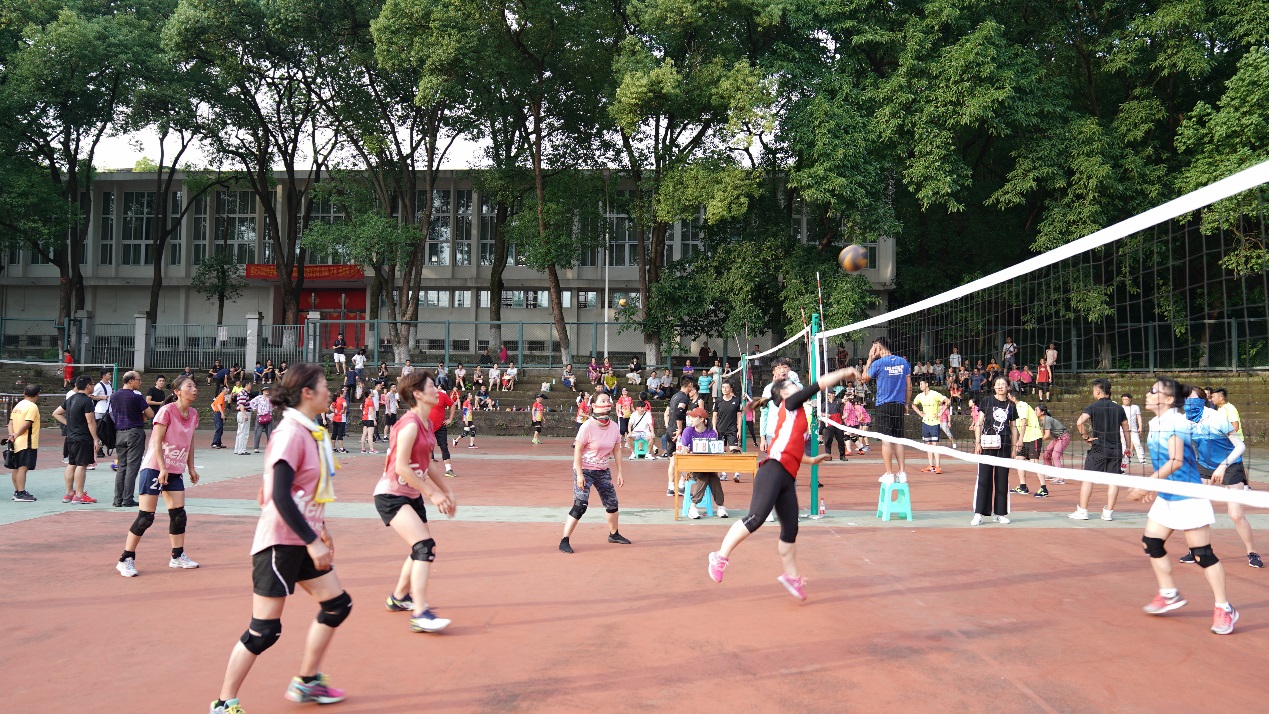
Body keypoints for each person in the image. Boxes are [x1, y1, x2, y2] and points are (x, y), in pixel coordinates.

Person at [209, 364, 350, 713]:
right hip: (280, 542)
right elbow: (278, 496)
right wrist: (312, 540)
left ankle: (307, 682)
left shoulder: (311, 432)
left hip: (302, 537)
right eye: (324, 385)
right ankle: (224, 703)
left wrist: (319, 529)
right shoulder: (290, 433)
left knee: (337, 604)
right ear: (307, 393)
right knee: (264, 631)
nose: (329, 391)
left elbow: (303, 492)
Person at [706, 367, 854, 599]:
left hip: (787, 475)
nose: (795, 383)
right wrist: (846, 372)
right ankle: (720, 556)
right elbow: (819, 384)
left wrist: (811, 460)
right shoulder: (791, 403)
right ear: (784, 392)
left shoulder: (798, 416)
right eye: (791, 383)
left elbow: (791, 447)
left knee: (791, 528)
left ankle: (791, 576)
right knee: (756, 518)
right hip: (773, 470)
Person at [1128, 376, 1238, 635]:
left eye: (1153, 391)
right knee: (1151, 542)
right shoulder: (1156, 422)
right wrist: (1157, 486)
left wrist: (1149, 484)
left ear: (1168, 399)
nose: (1147, 394)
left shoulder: (1176, 422)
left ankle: (1225, 608)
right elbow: (1165, 461)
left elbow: (1176, 460)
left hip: (1189, 496)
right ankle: (1169, 593)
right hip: (1168, 494)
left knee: (1202, 555)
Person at [375, 369, 458, 634]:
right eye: (432, 386)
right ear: (418, 394)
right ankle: (420, 614)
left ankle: (399, 597)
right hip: (391, 494)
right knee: (424, 546)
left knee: (420, 545)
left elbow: (428, 463)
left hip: (411, 494)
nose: (437, 391)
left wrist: (446, 490)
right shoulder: (409, 424)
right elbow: (402, 467)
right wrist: (433, 494)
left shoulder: (426, 424)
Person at [116, 375, 201, 577]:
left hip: (175, 469)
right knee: (146, 517)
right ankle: (125, 559)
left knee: (179, 515)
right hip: (155, 468)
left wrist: (191, 467)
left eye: (195, 386)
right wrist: (162, 468)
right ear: (177, 392)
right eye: (189, 386)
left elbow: (190, 441)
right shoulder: (166, 411)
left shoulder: (193, 413)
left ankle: (177, 556)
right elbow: (156, 440)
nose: (194, 389)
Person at [1182, 387, 1260, 568]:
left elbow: (1240, 446)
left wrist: (1223, 466)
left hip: (1230, 464)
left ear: (1203, 400)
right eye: (1185, 398)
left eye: (1191, 398)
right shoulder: (1185, 420)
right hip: (1205, 465)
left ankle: (1252, 552)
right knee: (1196, 508)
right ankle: (1197, 550)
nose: (1188, 401)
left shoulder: (1217, 418)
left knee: (1236, 514)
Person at [559, 393, 630, 553]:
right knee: (580, 505)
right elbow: (578, 450)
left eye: (608, 400)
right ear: (594, 405)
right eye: (602, 400)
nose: (606, 403)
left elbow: (617, 450)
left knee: (612, 503)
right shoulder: (587, 426)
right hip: (585, 469)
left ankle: (614, 534)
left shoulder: (614, 426)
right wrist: (579, 474)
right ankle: (564, 539)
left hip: (603, 470)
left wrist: (620, 472)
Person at [1070, 378, 1127, 521]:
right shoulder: (1119, 408)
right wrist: (1129, 447)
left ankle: (1083, 511)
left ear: (1097, 391)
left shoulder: (1093, 406)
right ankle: (1108, 512)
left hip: (1099, 447)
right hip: (1116, 448)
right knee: (1114, 480)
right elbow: (1126, 429)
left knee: (1088, 478)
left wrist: (1085, 437)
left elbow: (1079, 422)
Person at [859, 337, 912, 484]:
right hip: (898, 405)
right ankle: (902, 473)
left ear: (879, 347)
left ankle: (889, 474)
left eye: (873, 347)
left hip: (884, 405)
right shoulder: (903, 362)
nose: (872, 350)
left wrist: (869, 359)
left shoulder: (878, 363)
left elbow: (863, 379)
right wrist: (906, 403)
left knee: (886, 440)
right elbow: (909, 386)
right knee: (898, 439)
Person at [971, 376, 1019, 525]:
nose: (1000, 386)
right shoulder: (987, 401)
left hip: (1004, 445)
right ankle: (979, 513)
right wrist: (977, 443)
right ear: (994, 387)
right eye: (997, 384)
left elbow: (1014, 428)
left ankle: (1000, 513)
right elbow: (979, 423)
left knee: (1002, 478)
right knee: (984, 478)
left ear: (1008, 387)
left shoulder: (1011, 406)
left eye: (1003, 384)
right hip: (987, 443)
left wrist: (1014, 448)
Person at [54, 376, 102, 504]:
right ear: (88, 386)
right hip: (83, 437)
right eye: (92, 384)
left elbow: (56, 413)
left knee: (72, 463)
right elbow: (90, 421)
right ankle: (79, 495)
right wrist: (96, 439)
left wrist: (69, 424)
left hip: (71, 437)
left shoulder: (71, 398)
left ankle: (69, 493)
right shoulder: (87, 401)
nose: (93, 386)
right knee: (81, 465)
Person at [109, 371, 153, 507]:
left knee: (121, 467)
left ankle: (117, 499)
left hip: (119, 433)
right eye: (138, 380)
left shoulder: (114, 396)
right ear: (130, 381)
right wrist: (141, 414)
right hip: (134, 432)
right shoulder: (136, 397)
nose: (140, 382)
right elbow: (150, 413)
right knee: (132, 467)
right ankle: (127, 498)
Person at [679, 407, 727, 519]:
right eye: (690, 417)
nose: (690, 419)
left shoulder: (711, 433)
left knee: (711, 475)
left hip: (707, 466)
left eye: (693, 417)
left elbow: (713, 451)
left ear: (701, 419)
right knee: (708, 475)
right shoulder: (688, 431)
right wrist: (685, 450)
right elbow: (683, 448)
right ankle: (716, 506)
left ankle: (697, 507)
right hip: (691, 468)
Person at [7, 383, 42, 502]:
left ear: (24, 393)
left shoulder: (18, 405)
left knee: (16, 467)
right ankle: (21, 493)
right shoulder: (32, 407)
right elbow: (27, 423)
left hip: (16, 441)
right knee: (23, 467)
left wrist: (12, 435)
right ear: (38, 394)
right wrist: (16, 434)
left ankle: (17, 491)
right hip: (27, 441)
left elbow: (10, 423)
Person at [1007, 389, 1045, 497]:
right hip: (1024, 438)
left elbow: (1024, 423)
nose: (1007, 399)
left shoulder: (1022, 405)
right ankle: (1023, 486)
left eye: (1008, 397)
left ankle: (1044, 488)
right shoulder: (1013, 408)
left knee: (1034, 462)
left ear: (1013, 398)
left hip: (1033, 437)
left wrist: (1020, 440)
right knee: (1019, 460)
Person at [912, 378, 946, 474]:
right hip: (925, 423)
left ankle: (938, 466)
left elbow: (947, 401)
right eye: (920, 384)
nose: (920, 386)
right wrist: (920, 413)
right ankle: (931, 466)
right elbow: (913, 405)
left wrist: (940, 413)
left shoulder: (934, 394)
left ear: (926, 384)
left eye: (921, 384)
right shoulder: (920, 396)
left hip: (934, 423)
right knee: (928, 444)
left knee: (935, 445)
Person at [429, 385, 458, 477]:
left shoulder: (442, 395)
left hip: (440, 426)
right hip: (427, 426)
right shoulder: (423, 396)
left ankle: (448, 469)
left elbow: (452, 404)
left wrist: (450, 419)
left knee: (444, 447)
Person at [1037, 404, 1069, 486]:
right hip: (1056, 438)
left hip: (1063, 437)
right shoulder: (1040, 420)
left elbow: (1047, 435)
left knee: (1055, 455)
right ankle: (1050, 474)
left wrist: (1037, 442)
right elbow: (1042, 433)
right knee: (1046, 455)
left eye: (1036, 410)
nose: (1035, 412)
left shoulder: (1047, 419)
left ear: (1042, 412)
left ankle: (1060, 478)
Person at [713, 381, 741, 455]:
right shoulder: (718, 401)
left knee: (735, 452)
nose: (725, 389)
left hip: (732, 430)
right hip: (720, 430)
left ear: (731, 389)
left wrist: (739, 430)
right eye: (723, 387)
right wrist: (714, 428)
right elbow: (715, 415)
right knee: (721, 453)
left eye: (727, 387)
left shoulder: (736, 400)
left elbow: (739, 416)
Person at [91, 369, 113, 457]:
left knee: (109, 429)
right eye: (108, 374)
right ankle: (99, 448)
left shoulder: (109, 384)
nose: (110, 376)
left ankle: (108, 444)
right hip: (100, 411)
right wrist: (101, 397)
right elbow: (91, 396)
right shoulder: (99, 386)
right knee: (100, 430)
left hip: (109, 410)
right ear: (103, 376)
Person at [1121, 393, 1146, 466]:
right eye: (1123, 399)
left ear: (1130, 399)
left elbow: (1139, 417)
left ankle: (1142, 460)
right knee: (1124, 445)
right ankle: (1127, 459)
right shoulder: (1120, 408)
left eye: (1126, 399)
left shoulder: (1135, 407)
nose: (1124, 401)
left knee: (1137, 443)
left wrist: (1140, 427)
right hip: (1123, 430)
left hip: (1133, 429)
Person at [251, 386, 275, 453]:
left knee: (269, 433)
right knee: (258, 432)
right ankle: (256, 447)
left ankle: (269, 447)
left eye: (267, 390)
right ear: (263, 391)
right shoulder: (259, 398)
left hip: (268, 416)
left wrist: (271, 410)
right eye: (265, 390)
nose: (267, 391)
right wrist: (255, 409)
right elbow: (251, 402)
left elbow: (275, 404)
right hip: (260, 416)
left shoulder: (270, 398)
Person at [233, 378, 253, 455]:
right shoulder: (243, 393)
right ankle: (241, 449)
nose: (251, 386)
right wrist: (244, 414)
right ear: (247, 385)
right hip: (244, 412)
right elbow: (241, 404)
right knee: (244, 432)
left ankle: (237, 449)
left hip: (241, 413)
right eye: (250, 385)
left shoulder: (242, 393)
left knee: (240, 432)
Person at [330, 388, 349, 453]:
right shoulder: (343, 400)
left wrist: (335, 411)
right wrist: (343, 410)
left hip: (335, 418)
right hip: (341, 419)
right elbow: (345, 406)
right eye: (344, 393)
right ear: (341, 394)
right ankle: (341, 448)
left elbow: (331, 407)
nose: (345, 394)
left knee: (334, 433)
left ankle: (333, 448)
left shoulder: (335, 399)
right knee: (340, 434)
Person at [210, 385, 228, 449]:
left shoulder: (219, 396)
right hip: (218, 413)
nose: (227, 390)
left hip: (217, 413)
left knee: (220, 429)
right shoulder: (221, 396)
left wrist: (215, 410)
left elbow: (212, 404)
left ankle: (218, 443)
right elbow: (219, 405)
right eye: (226, 389)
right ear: (222, 390)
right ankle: (214, 443)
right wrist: (221, 413)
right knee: (219, 428)